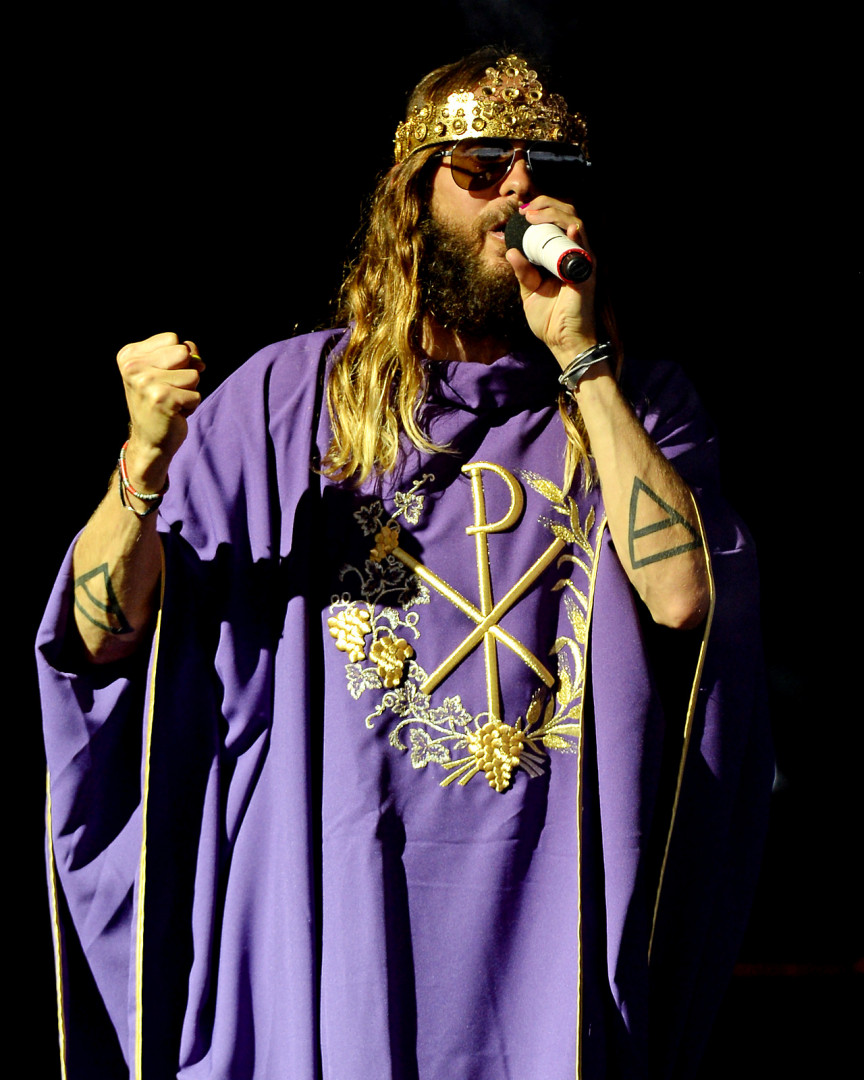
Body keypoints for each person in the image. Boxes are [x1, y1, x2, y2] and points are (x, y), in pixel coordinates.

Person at [38, 49, 772, 1080]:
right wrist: (143, 467)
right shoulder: (283, 404)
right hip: (331, 934)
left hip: (546, 945)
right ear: (412, 201)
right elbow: (99, 640)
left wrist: (584, 360)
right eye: (481, 168)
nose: (518, 193)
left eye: (546, 171)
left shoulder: (637, 409)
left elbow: (687, 598)